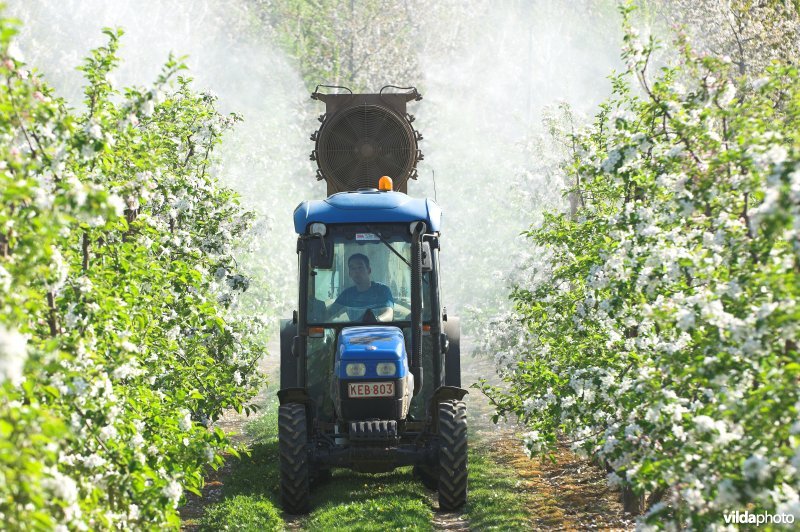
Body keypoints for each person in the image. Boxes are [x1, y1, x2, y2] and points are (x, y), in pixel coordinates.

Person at [327, 253, 394, 322]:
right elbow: (328, 314)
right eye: (353, 268)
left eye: (360, 267)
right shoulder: (347, 295)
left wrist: (375, 321)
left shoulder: (382, 290)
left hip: (380, 331)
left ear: (369, 270)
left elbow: (388, 315)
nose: (357, 271)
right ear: (350, 273)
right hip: (353, 331)